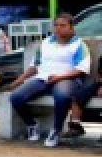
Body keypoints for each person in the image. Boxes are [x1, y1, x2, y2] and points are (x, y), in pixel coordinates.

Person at [7, 12, 91, 148]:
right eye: (56, 25)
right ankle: (31, 124)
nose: (58, 28)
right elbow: (35, 66)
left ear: (71, 28)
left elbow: (81, 69)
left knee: (62, 96)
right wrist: (19, 80)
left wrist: (59, 77)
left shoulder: (79, 45)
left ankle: (56, 130)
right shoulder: (45, 43)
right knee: (16, 97)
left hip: (67, 79)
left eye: (63, 25)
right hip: (43, 78)